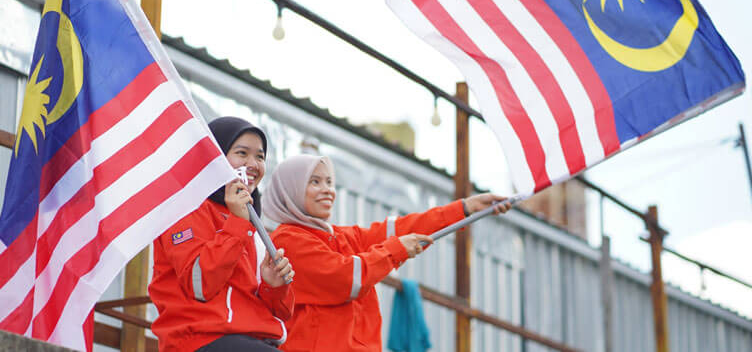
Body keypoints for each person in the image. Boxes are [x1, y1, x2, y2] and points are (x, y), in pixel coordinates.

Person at [262, 154, 511, 352]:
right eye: (314, 182)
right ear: (290, 189)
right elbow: (345, 278)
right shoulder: (287, 240)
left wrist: (465, 207)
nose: (327, 189)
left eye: (329, 182)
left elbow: (398, 230)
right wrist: (395, 249)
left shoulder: (340, 236)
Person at [149, 116, 296, 352]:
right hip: (200, 340)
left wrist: (273, 286)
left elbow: (283, 313)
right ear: (214, 156)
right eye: (241, 153)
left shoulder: (254, 226)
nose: (253, 164)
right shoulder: (185, 208)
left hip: (254, 341)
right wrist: (237, 224)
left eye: (260, 156)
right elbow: (199, 285)